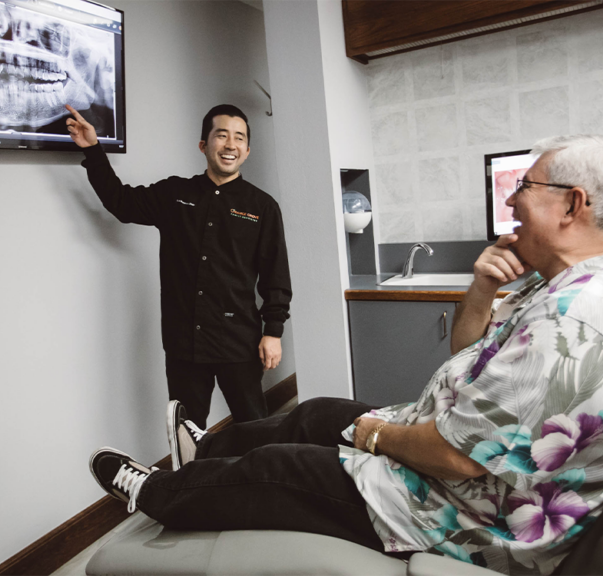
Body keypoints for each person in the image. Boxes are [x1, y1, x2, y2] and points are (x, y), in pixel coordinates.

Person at [88, 134, 603, 575]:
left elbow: (455, 457)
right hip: (460, 459)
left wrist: (373, 435)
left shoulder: (573, 318)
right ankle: (204, 454)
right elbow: (467, 356)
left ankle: (158, 492)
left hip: (465, 508)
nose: (511, 201)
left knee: (284, 465)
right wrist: (483, 286)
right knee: (320, 411)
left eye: (525, 187)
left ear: (572, 204)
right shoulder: (554, 286)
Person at [65, 104, 292, 429]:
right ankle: (191, 480)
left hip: (239, 341)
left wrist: (273, 332)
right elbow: (120, 202)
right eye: (221, 135)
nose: (231, 145)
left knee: (253, 427)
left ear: (247, 149)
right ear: (203, 145)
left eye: (239, 138)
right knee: (187, 430)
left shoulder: (262, 207)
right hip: (184, 341)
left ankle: (255, 480)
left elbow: (275, 275)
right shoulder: (174, 194)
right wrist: (93, 150)